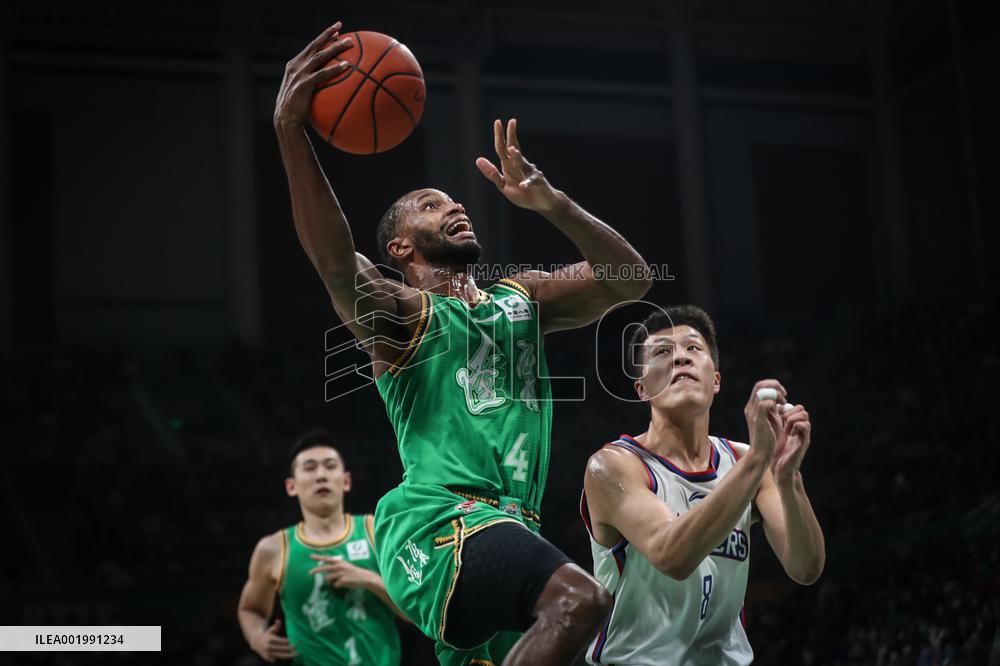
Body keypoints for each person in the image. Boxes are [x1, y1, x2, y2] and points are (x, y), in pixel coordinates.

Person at [273, 21, 652, 665]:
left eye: (454, 203)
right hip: (437, 521)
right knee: (579, 602)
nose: (454, 208)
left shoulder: (521, 298)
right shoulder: (400, 314)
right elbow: (336, 264)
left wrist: (554, 205)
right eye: (429, 205)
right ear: (399, 247)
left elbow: (631, 281)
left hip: (513, 528)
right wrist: (290, 134)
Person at [581, 305, 825, 665]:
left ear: (716, 380)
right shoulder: (613, 466)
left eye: (693, 348)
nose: (680, 357)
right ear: (641, 388)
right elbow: (671, 556)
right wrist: (759, 461)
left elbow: (805, 568)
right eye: (663, 351)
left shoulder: (745, 461)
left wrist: (789, 480)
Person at [238, 430, 405, 665]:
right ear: (291, 486)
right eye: (309, 467)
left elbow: (415, 609)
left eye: (329, 466)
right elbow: (250, 609)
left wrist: (369, 579)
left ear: (346, 480)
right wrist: (257, 638)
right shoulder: (273, 549)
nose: (321, 475)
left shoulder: (375, 531)